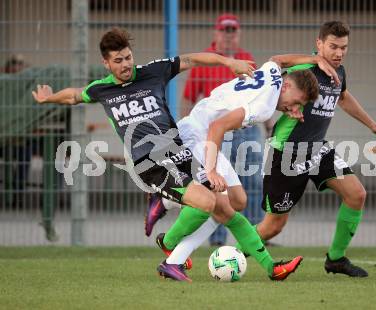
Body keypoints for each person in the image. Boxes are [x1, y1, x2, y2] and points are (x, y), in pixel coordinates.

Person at [31, 27, 300, 283]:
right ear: (106, 63)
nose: (126, 65)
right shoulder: (103, 89)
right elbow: (75, 96)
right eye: (118, 61)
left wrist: (228, 62)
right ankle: (169, 251)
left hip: (180, 155)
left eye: (128, 57)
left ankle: (271, 267)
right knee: (207, 202)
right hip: (151, 164)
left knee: (228, 209)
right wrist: (50, 97)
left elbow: (192, 59)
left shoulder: (152, 72)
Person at [155, 57, 337, 281]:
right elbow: (217, 126)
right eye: (297, 101)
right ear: (287, 86)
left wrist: (315, 59)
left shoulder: (273, 75)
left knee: (237, 201)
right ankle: (174, 257)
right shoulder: (264, 106)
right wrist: (211, 171)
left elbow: (278, 59)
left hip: (204, 136)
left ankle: (167, 230)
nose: (295, 108)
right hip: (195, 136)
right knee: (216, 203)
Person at [236, 21, 376, 278]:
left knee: (356, 194)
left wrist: (372, 125)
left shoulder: (339, 72)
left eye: (344, 47)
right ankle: (231, 257)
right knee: (273, 226)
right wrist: (288, 104)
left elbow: (343, 96)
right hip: (286, 152)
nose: (339, 53)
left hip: (317, 149)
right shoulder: (305, 68)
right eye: (333, 46)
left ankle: (336, 259)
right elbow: (274, 71)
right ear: (319, 43)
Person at [145, 13, 264, 246]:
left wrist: (267, 125)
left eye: (232, 31)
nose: (228, 36)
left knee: (251, 183)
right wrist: (187, 136)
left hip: (242, 130)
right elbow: (189, 99)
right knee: (213, 186)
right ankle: (217, 240)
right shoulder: (208, 62)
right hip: (213, 133)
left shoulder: (245, 59)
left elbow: (254, 95)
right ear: (216, 33)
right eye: (224, 31)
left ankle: (256, 233)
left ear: (238, 34)